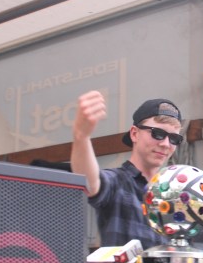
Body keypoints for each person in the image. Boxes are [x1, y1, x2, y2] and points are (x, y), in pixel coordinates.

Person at [71, 90, 184, 249]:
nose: (166, 144)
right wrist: (81, 136)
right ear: (134, 134)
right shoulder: (116, 181)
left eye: (174, 138)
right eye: (157, 133)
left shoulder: (173, 197)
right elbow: (89, 182)